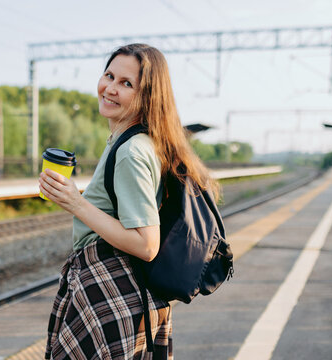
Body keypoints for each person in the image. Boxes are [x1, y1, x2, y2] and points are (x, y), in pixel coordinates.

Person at [39, 43, 218, 359]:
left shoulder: (131, 153)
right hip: (127, 295)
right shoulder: (137, 141)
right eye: (109, 75)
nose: (110, 88)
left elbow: (146, 244)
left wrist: (75, 202)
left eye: (126, 84)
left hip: (113, 294)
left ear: (147, 96)